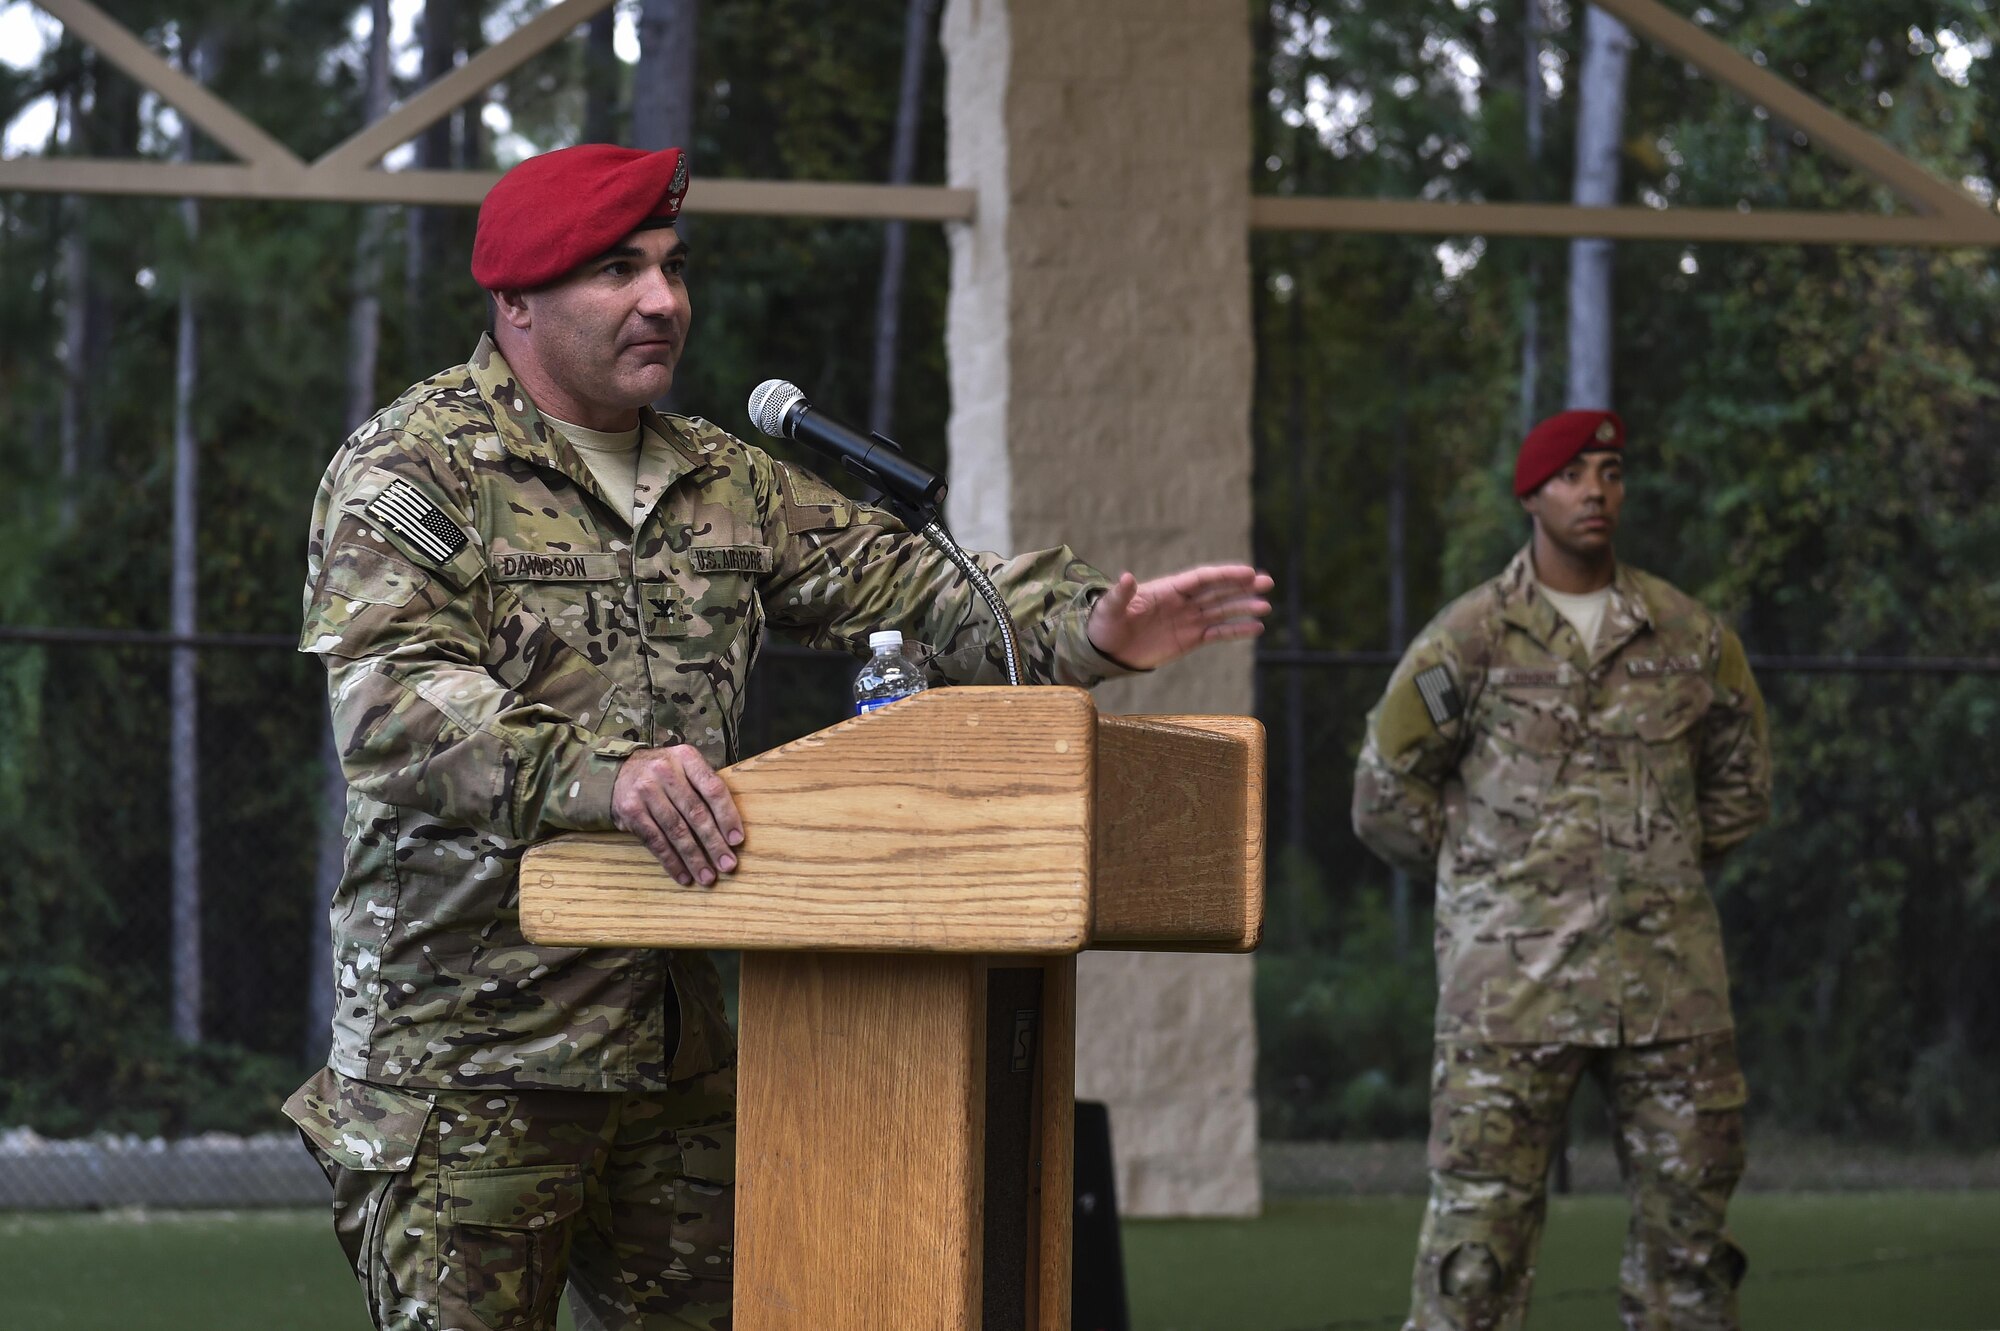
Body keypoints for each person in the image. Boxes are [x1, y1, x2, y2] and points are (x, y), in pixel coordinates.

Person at [282, 142, 1272, 1331]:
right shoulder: (414, 465)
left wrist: (1097, 626)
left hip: (669, 1050)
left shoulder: (725, 481)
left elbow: (925, 591)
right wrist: (613, 777)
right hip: (473, 1054)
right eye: (617, 272)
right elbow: (394, 705)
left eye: (671, 267)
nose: (662, 300)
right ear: (517, 304)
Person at [1352, 410, 1772, 1331]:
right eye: (1574, 474)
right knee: (1475, 1259)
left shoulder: (1691, 637)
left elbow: (1742, 786)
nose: (1596, 490)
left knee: (1691, 1256)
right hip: (1511, 994)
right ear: (1531, 493)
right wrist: (1494, 885)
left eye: (1611, 471)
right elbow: (1385, 794)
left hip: (1668, 992)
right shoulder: (1468, 640)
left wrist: (1653, 867)